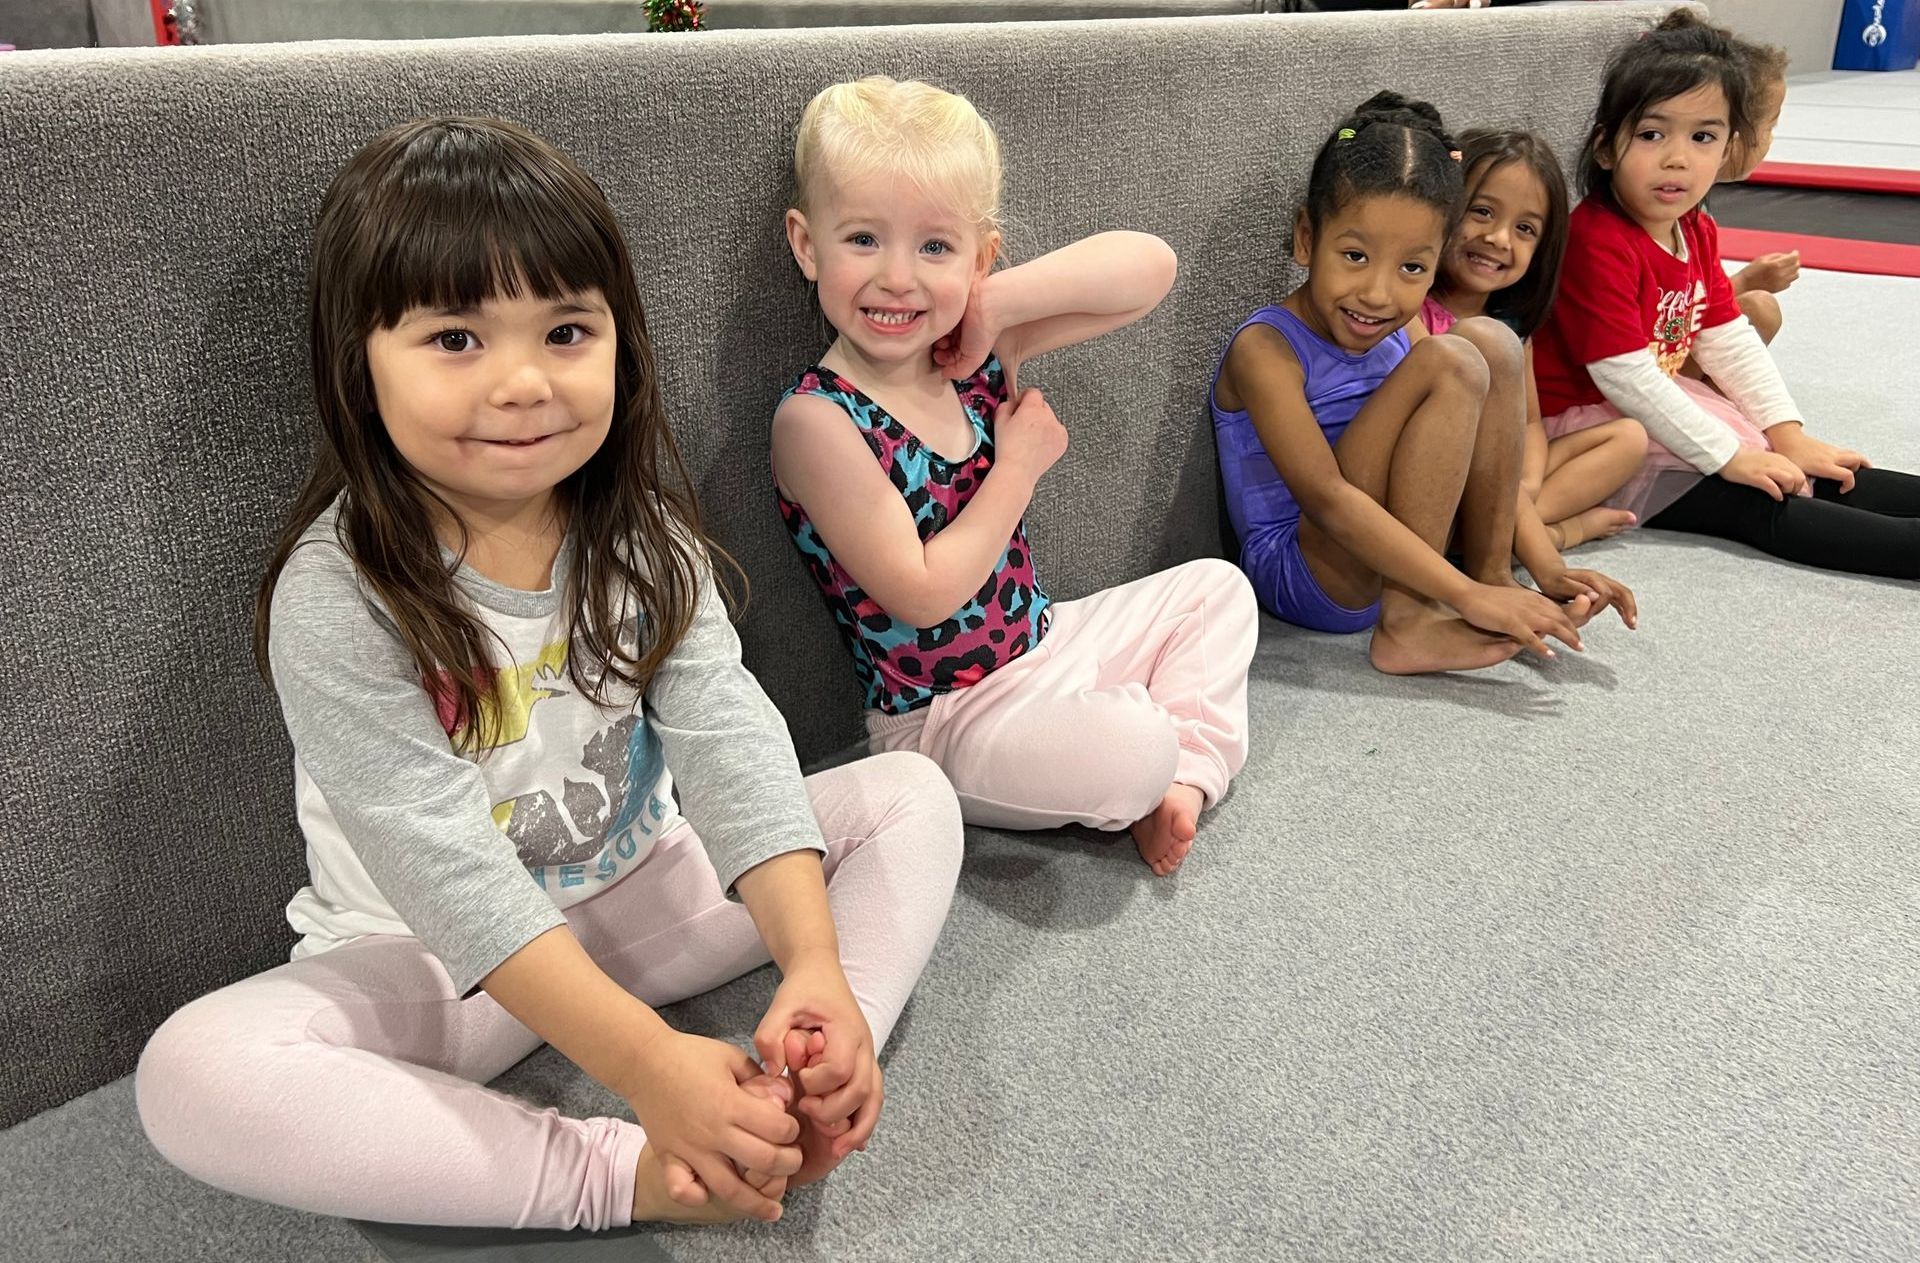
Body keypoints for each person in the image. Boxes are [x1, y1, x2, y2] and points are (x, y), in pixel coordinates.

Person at [135, 116, 965, 1232]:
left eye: (567, 331)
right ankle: (621, 1181)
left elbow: (729, 739)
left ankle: (804, 1080)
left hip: (631, 899)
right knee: (191, 1075)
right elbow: (444, 867)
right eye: (456, 341)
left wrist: (814, 971)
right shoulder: (339, 592)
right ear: (357, 366)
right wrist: (649, 1067)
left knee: (909, 795)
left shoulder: (645, 537)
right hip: (437, 963)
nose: (525, 383)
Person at [775, 76, 1258, 877]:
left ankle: (1183, 782)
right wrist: (1021, 466)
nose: (898, 278)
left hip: (1047, 639)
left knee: (1217, 590)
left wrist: (992, 301)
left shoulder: (970, 353)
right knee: (1133, 743)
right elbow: (924, 592)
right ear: (806, 243)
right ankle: (1146, 757)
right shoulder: (817, 419)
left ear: (979, 254)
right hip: (945, 719)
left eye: (935, 246)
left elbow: (1152, 269)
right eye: (863, 239)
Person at [1213, 92, 1608, 678]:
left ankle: (1490, 569)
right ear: (1305, 238)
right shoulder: (1265, 348)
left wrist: (1542, 569)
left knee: (1492, 343)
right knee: (1452, 359)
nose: (1379, 294)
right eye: (1353, 255)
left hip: (1392, 550)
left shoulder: (1402, 329)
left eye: (1412, 268)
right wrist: (1464, 599)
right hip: (1308, 568)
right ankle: (1408, 622)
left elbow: (1472, 445)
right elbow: (1327, 499)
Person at [1535, 11, 1920, 579]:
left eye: (1703, 137)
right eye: (1650, 134)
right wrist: (1730, 455)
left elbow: (1725, 335)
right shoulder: (1597, 239)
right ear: (1606, 149)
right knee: (1764, 502)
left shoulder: (1693, 227)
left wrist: (1789, 434)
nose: (1677, 157)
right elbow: (1625, 377)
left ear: (1727, 148)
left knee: (1813, 469)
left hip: (1655, 401)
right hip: (1590, 431)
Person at [1424, 128, 1646, 556]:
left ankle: (1513, 527)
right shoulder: (1416, 311)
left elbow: (1529, 424)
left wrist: (1525, 482)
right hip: (1439, 485)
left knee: (1629, 438)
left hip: (1501, 479)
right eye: (1482, 211)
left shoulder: (1512, 327)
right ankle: (1556, 534)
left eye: (1524, 228)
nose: (1499, 239)